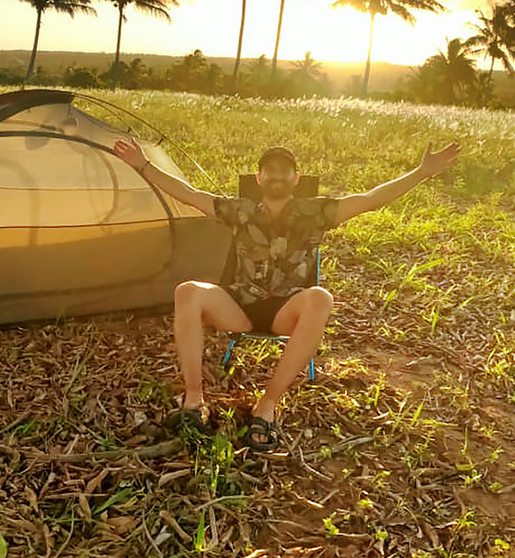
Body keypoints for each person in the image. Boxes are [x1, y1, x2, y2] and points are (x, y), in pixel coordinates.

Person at [112, 138, 460, 450]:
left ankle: (267, 406)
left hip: (286, 309)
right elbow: (188, 193)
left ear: (296, 178)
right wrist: (143, 165)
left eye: (284, 171)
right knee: (188, 291)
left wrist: (422, 172)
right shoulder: (241, 210)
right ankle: (193, 401)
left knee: (320, 297)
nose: (277, 176)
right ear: (259, 179)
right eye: (269, 171)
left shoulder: (317, 212)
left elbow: (370, 200)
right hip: (241, 303)